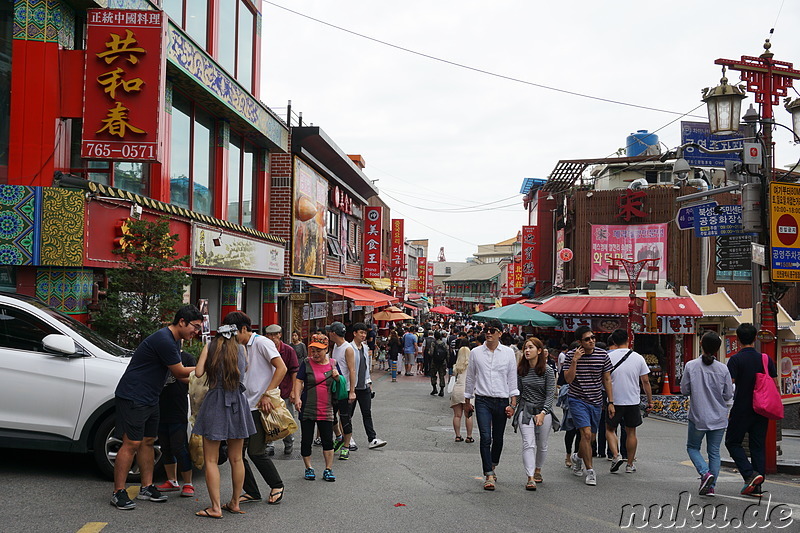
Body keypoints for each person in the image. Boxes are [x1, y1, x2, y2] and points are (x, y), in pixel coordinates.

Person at [111, 305, 201, 510]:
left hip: (151, 396)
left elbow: (182, 376)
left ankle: (147, 487)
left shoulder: (175, 340)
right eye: (194, 327)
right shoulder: (164, 340)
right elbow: (179, 373)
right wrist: (207, 368)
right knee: (131, 443)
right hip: (134, 395)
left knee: (148, 441)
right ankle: (118, 492)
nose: (195, 332)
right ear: (181, 322)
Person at [222, 312, 287, 506]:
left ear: (243, 329)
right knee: (235, 455)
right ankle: (251, 491)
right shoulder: (237, 347)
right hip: (242, 405)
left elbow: (281, 368)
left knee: (256, 451)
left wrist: (267, 394)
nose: (231, 337)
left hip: (259, 405)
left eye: (234, 332)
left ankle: (277, 485)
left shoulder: (262, 343)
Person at [192, 324, 256, 519]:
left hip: (215, 402)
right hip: (237, 400)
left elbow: (198, 372)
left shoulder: (210, 347)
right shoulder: (241, 348)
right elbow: (245, 369)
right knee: (237, 458)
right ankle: (235, 503)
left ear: (217, 335)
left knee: (211, 459)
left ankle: (215, 507)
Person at [464, 319, 519, 491]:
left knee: (498, 438)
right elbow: (471, 377)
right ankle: (488, 473)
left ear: (500, 333)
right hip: (482, 400)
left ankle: (493, 464)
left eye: (493, 330)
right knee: (485, 437)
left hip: (502, 401)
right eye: (486, 330)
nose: (488, 333)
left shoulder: (508, 353)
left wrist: (513, 403)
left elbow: (512, 378)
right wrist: (467, 401)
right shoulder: (476, 352)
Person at [725, 323, 778, 497]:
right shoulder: (765, 359)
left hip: (742, 408)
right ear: (755, 338)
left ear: (738, 339)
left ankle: (749, 474)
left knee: (732, 442)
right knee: (757, 446)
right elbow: (775, 384)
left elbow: (729, 385)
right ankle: (757, 487)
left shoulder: (735, 360)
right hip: (762, 409)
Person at [681, 331, 733, 497]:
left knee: (692, 447)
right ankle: (711, 487)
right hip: (718, 417)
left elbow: (684, 390)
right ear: (717, 349)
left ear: (701, 344)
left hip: (698, 416)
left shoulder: (691, 366)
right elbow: (727, 395)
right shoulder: (723, 369)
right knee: (714, 452)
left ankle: (705, 473)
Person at [563, 325, 614, 487]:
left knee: (591, 438)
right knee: (585, 434)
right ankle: (590, 471)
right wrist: (575, 361)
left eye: (593, 337)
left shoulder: (602, 355)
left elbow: (607, 380)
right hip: (577, 399)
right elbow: (568, 380)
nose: (592, 341)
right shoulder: (571, 355)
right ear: (579, 342)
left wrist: (611, 402)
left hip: (596, 401)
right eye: (587, 339)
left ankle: (578, 457)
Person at [293, 333, 341, 482]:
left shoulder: (333, 364)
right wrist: (297, 397)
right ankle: (308, 468)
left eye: (318, 350)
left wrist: (337, 377)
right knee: (306, 440)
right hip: (307, 406)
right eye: (312, 350)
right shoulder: (306, 363)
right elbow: (299, 381)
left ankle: (328, 469)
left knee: (327, 439)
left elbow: (340, 383)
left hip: (326, 407)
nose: (315, 354)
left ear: (326, 349)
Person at [604, 329, 652, 475]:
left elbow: (604, 378)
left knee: (610, 429)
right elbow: (645, 381)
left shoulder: (607, 356)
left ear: (613, 341)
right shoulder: (638, 357)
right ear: (628, 339)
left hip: (614, 400)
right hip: (632, 400)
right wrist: (650, 401)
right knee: (631, 432)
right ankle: (630, 464)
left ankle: (615, 455)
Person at [512, 337, 557, 491]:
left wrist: (543, 413)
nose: (527, 350)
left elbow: (550, 394)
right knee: (528, 443)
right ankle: (530, 477)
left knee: (542, 444)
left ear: (539, 351)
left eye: (530, 347)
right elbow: (518, 393)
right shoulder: (521, 370)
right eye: (525, 348)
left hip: (544, 410)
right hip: (526, 410)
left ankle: (538, 469)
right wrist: (512, 406)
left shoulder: (548, 371)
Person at [156, 349, 197, 497]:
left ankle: (188, 483)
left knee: (179, 446)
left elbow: (195, 379)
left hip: (178, 407)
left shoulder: (187, 358)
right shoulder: (159, 355)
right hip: (160, 406)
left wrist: (178, 374)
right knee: (165, 446)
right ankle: (171, 481)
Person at [350, 322, 388, 450]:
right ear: (354, 333)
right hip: (352, 387)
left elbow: (366, 367)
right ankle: (348, 438)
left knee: (367, 413)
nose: (363, 335)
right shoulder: (349, 348)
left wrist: (369, 381)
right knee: (348, 415)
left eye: (365, 333)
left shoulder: (365, 348)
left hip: (364, 386)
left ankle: (372, 439)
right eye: (361, 332)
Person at [263, 324, 300, 456]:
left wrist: (294, 391)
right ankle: (269, 444)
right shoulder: (264, 348)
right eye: (269, 335)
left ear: (280, 335)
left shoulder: (288, 350)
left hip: (285, 389)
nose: (272, 338)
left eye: (275, 335)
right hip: (269, 390)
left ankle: (289, 442)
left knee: (287, 418)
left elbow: (294, 371)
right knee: (268, 418)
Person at [326, 321, 357, 459]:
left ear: (333, 333)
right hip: (334, 387)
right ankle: (339, 437)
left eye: (329, 332)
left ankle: (346, 445)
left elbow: (352, 370)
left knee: (345, 418)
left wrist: (352, 391)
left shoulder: (347, 348)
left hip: (344, 389)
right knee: (331, 417)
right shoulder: (335, 347)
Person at [450, 338, 474, 443]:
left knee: (457, 415)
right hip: (468, 390)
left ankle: (458, 436)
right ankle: (469, 436)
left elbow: (454, 376)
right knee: (468, 415)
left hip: (457, 389)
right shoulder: (472, 366)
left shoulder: (456, 366)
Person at [429, 331, 449, 396]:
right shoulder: (444, 343)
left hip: (434, 362)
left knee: (433, 375)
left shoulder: (433, 343)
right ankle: (442, 390)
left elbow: (431, 352)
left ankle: (434, 388)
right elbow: (447, 353)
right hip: (442, 362)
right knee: (442, 376)